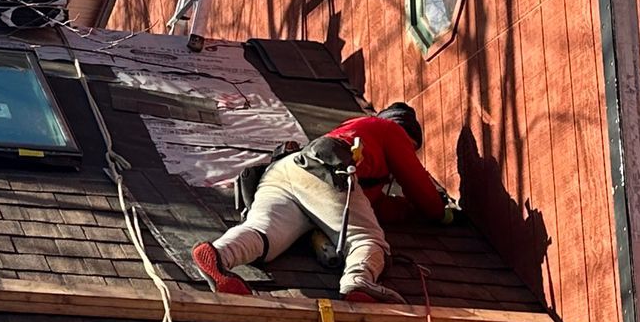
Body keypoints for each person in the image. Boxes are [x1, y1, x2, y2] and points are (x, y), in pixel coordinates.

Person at [192, 103, 456, 303]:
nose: (410, 152)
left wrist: (408, 210)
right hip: (327, 170)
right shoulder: (390, 130)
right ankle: (359, 281)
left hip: (285, 173)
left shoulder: (359, 141)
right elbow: (416, 181)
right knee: (368, 240)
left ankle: (219, 255)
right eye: (411, 147)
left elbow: (369, 206)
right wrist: (439, 213)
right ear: (406, 134)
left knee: (264, 233)